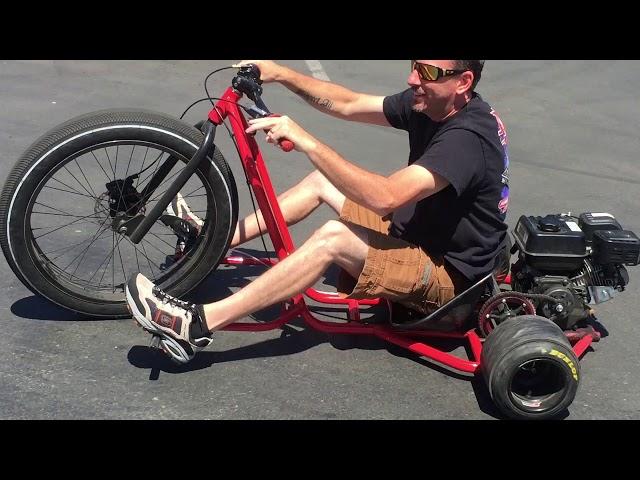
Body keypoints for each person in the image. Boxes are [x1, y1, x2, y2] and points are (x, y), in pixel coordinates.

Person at [126, 60, 511, 363]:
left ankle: (198, 324)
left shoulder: (467, 138)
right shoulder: (431, 103)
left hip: (448, 278)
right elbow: (345, 103)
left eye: (426, 71)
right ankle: (208, 241)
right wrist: (280, 73)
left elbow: (387, 197)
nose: (412, 78)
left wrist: (306, 140)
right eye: (414, 64)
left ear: (463, 82)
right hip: (417, 231)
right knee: (320, 181)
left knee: (333, 239)